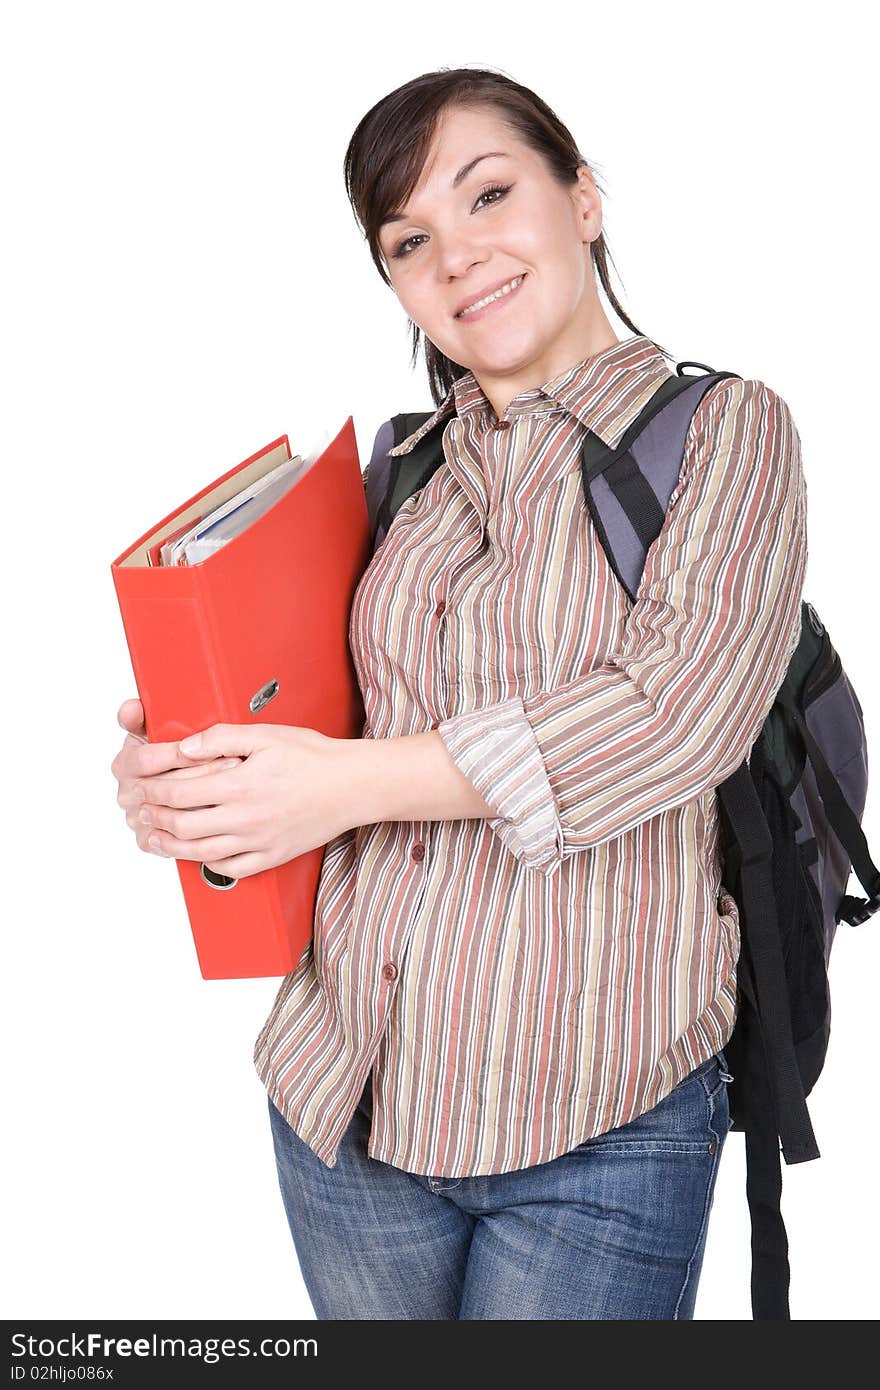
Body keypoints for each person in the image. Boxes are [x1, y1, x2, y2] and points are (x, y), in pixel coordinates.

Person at [110, 67, 808, 1319]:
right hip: (347, 1108)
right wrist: (187, 766)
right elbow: (315, 715)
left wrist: (335, 786)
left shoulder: (724, 431)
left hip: (600, 1124)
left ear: (582, 198)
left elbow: (674, 713)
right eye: (409, 240)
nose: (459, 257)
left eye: (491, 194)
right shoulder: (400, 473)